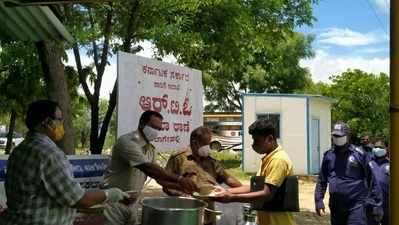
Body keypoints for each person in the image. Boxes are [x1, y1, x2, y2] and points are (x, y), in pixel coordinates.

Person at [0, 100, 128, 225]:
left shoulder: (20, 149)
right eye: (60, 120)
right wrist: (111, 194)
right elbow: (79, 199)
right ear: (47, 122)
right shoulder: (49, 154)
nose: (62, 125)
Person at [102, 110, 198, 225]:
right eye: (153, 127)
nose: (156, 132)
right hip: (113, 204)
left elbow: (159, 178)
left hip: (132, 204)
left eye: (159, 129)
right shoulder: (127, 142)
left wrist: (182, 187)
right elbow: (148, 168)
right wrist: (180, 179)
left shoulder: (150, 149)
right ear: (142, 124)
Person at [214, 119, 296, 225]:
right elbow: (256, 188)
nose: (253, 145)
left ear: (270, 139)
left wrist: (232, 198)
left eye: (256, 141)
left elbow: (266, 194)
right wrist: (226, 191)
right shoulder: (269, 159)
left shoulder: (278, 160)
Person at [163, 126, 242, 225]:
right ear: (195, 142)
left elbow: (228, 178)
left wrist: (244, 189)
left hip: (208, 212)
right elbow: (166, 184)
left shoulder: (211, 161)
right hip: (186, 211)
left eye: (209, 144)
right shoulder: (178, 159)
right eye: (206, 144)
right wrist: (183, 196)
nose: (208, 147)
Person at [314, 122, 383, 225]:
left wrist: (377, 204)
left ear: (347, 136)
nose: (337, 138)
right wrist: (319, 200)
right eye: (335, 136)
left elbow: (372, 180)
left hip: (356, 206)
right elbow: (322, 180)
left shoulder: (359, 155)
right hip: (336, 206)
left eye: (340, 136)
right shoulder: (329, 156)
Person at [368, 141, 389, 225]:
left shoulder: (391, 164)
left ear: (385, 149)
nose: (378, 149)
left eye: (380, 147)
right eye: (376, 147)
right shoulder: (368, 163)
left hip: (387, 204)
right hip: (371, 204)